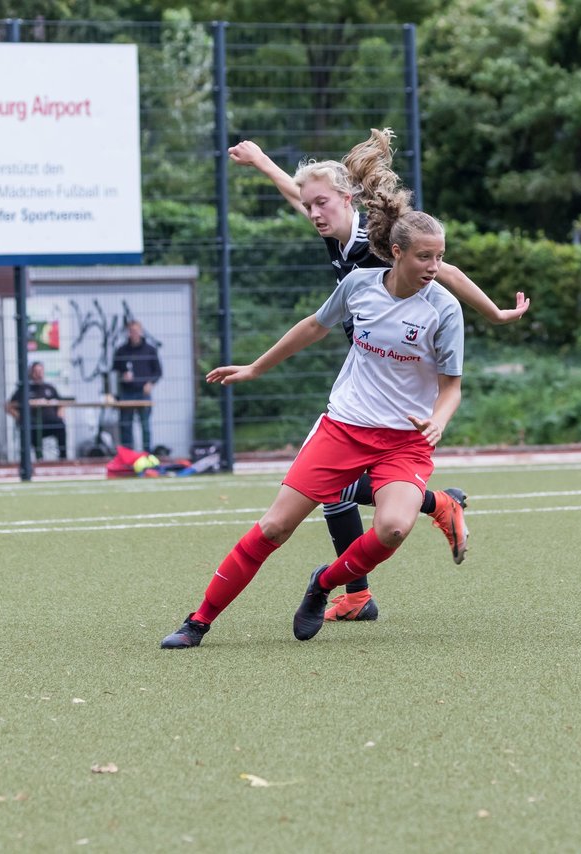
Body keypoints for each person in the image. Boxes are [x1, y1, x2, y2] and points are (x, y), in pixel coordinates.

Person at [162, 132, 464, 649]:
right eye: (424, 258)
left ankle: (331, 585)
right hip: (346, 422)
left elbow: (451, 376)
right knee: (279, 525)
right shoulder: (357, 274)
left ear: (349, 202)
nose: (432, 267)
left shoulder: (439, 302)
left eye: (436, 258)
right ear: (395, 252)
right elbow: (312, 322)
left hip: (403, 439)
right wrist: (256, 368)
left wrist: (495, 318)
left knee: (391, 526)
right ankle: (198, 621)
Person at [227, 133, 530, 621]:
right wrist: (262, 161)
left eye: (321, 203)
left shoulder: (373, 246)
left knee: (328, 492)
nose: (312, 212)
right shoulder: (336, 231)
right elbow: (298, 191)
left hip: (394, 380)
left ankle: (398, 544)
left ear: (347, 200)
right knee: (332, 494)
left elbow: (444, 269)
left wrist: (494, 313)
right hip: (365, 375)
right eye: (310, 206)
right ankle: (365, 584)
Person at [112, 320, 162, 452]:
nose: (134, 334)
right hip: (126, 392)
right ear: (128, 333)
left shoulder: (150, 350)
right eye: (131, 331)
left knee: (145, 426)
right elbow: (114, 372)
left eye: (136, 331)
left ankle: (147, 454)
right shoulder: (121, 351)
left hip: (143, 393)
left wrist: (150, 383)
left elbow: (158, 372)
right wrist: (122, 376)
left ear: (141, 331)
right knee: (125, 426)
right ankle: (128, 455)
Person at [6, 362, 67, 460]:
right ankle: (39, 458)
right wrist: (19, 416)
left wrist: (61, 411)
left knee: (60, 424)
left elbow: (61, 403)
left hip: (50, 423)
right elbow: (9, 406)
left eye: (40, 371)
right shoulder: (24, 389)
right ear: (31, 373)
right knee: (32, 427)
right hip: (32, 423)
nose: (38, 374)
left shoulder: (49, 388)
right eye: (36, 371)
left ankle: (63, 458)